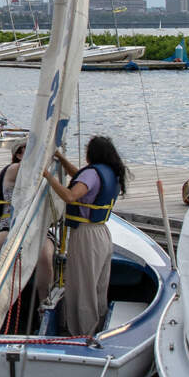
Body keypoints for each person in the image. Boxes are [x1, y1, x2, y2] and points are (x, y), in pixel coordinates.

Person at [40, 137, 127, 338]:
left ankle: (81, 333)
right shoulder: (110, 172)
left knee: (82, 286)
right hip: (102, 232)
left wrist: (47, 176)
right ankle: (98, 328)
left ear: (92, 153)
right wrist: (61, 159)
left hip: (86, 234)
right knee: (98, 286)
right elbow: (79, 177)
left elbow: (70, 196)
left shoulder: (92, 173)